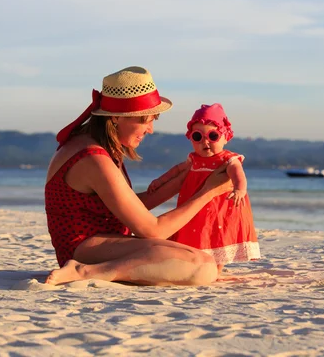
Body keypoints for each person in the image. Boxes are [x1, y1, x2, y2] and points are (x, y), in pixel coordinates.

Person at [44, 66, 233, 286]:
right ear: (115, 117)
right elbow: (152, 230)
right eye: (146, 120)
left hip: (96, 243)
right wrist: (210, 191)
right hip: (84, 248)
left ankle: (91, 269)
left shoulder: (92, 146)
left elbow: (128, 206)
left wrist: (186, 177)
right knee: (202, 267)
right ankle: (88, 272)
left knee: (203, 260)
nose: (151, 129)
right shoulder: (93, 159)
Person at [147, 103, 260, 270]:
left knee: (216, 234)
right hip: (194, 205)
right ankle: (199, 264)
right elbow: (177, 170)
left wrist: (239, 189)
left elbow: (238, 173)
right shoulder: (194, 159)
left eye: (213, 136)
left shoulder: (227, 159)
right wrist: (160, 181)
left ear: (225, 137)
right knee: (198, 234)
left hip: (219, 208)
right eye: (198, 137)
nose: (205, 142)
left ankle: (217, 268)